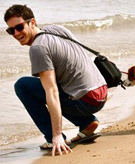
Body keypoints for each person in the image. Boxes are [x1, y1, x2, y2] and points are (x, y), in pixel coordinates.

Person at [4, 4, 107, 156]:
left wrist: (56, 135)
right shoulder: (57, 29)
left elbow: (52, 92)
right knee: (54, 84)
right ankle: (86, 123)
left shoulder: (38, 48)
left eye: (19, 27)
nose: (16, 33)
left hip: (86, 101)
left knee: (23, 86)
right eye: (10, 30)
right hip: (101, 92)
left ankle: (52, 138)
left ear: (32, 22)